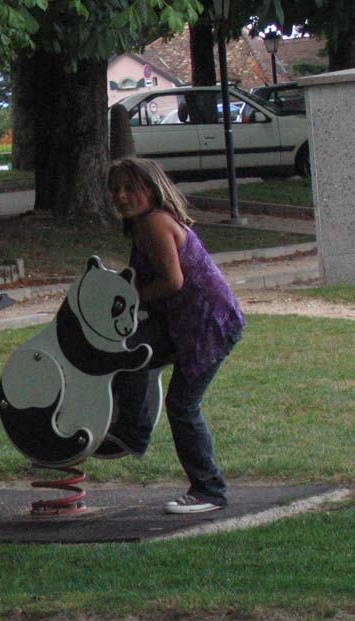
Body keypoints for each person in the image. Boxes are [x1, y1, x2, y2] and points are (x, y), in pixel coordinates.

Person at [99, 156, 245, 514]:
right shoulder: (140, 225)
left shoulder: (155, 223)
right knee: (131, 350)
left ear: (151, 189)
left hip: (209, 325)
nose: (121, 196)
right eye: (115, 190)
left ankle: (209, 490)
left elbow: (172, 281)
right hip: (183, 322)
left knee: (183, 405)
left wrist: (132, 298)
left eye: (129, 188)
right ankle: (131, 431)